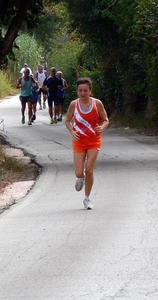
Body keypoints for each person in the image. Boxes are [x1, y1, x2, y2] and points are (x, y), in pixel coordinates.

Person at [65, 77, 109, 210]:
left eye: (85, 90)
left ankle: (87, 199)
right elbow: (67, 120)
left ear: (90, 91)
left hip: (94, 140)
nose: (82, 93)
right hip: (79, 141)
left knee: (89, 169)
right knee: (79, 173)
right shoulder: (74, 104)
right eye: (80, 91)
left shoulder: (97, 104)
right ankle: (81, 178)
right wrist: (72, 131)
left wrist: (102, 127)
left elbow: (106, 119)